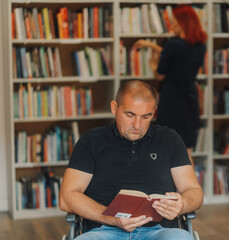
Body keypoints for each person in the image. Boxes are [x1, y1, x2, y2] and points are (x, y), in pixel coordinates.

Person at [59, 80, 203, 240]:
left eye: (146, 116)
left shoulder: (169, 139)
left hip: (159, 231)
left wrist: (182, 204)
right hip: (103, 230)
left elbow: (194, 191)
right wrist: (112, 219)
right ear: (114, 108)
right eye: (130, 115)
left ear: (154, 112)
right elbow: (67, 197)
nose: (137, 125)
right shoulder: (91, 141)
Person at [134, 5, 207, 165]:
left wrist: (153, 63)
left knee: (166, 150)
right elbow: (180, 57)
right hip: (190, 102)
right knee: (186, 152)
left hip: (172, 103)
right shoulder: (200, 46)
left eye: (174, 22)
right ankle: (191, 188)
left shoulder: (173, 45)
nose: (172, 25)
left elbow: (159, 75)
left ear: (183, 23)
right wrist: (152, 45)